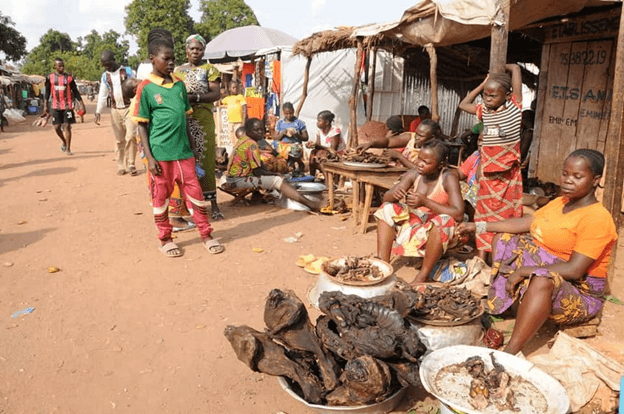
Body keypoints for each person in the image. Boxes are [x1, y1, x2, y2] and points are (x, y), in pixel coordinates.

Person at [458, 149, 617, 355]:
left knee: (542, 279)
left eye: (578, 177)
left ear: (595, 180)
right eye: (565, 174)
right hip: (550, 268)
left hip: (580, 291)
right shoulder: (560, 203)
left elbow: (575, 270)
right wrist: (478, 227)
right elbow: (529, 221)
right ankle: (510, 304)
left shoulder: (597, 218)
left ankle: (511, 350)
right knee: (504, 239)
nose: (568, 181)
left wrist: (524, 271)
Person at [132, 32, 224, 257]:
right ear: (153, 59)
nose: (172, 62)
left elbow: (184, 120)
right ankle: (165, 239)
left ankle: (206, 234)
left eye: (173, 58)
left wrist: (192, 148)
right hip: (161, 155)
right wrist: (149, 157)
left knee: (195, 195)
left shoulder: (179, 86)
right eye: (167, 58)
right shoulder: (146, 88)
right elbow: (142, 126)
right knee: (160, 198)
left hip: (184, 153)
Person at [374, 139, 464, 284]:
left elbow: (458, 213)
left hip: (441, 231)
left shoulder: (449, 177)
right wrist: (394, 194)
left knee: (445, 221)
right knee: (387, 208)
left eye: (426, 162)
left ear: (440, 165)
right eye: (419, 159)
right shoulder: (415, 173)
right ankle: (383, 264)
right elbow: (386, 198)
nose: (419, 164)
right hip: (418, 225)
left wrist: (425, 202)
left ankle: (424, 274)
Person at [458, 64, 524, 260]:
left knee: (506, 219)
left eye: (492, 95)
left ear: (507, 96)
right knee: (482, 217)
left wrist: (513, 68)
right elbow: (463, 104)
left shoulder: (514, 108)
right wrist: (483, 83)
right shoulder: (484, 111)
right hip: (487, 176)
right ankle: (480, 260)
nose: (487, 99)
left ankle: (500, 261)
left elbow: (517, 80)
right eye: (485, 95)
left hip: (507, 178)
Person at [174, 34, 224, 220]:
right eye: (192, 49)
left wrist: (194, 98)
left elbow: (216, 94)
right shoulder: (178, 72)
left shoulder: (210, 69)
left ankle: (213, 204)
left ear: (203, 51)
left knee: (206, 159)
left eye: (199, 49)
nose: (196, 52)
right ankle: (186, 206)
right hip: (183, 120)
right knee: (185, 161)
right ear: (186, 51)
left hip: (203, 119)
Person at [226, 118, 320, 211]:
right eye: (256, 130)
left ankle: (259, 196)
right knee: (277, 181)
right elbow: (257, 171)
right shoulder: (252, 144)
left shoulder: (244, 140)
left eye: (261, 129)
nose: (260, 132)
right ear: (248, 131)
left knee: (268, 170)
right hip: (238, 181)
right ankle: (310, 204)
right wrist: (275, 175)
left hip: (231, 179)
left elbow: (257, 166)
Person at [95, 50, 138, 176]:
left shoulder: (129, 72)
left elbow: (137, 87)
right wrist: (98, 111)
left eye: (108, 64)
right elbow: (103, 94)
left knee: (131, 136)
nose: (106, 67)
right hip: (115, 110)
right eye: (104, 65)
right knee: (119, 140)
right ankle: (120, 165)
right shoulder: (105, 77)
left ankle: (131, 163)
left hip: (129, 108)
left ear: (114, 60)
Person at [357, 116, 443, 169]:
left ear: (432, 137)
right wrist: (370, 144)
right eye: (416, 133)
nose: (416, 137)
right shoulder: (410, 137)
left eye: (421, 136)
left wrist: (399, 156)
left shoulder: (433, 151)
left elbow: (419, 170)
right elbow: (388, 142)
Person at [44, 57, 84, 155]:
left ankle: (68, 149)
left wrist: (82, 104)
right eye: (60, 66)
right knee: (57, 127)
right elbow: (47, 92)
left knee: (67, 126)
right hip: (55, 106)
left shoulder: (69, 78)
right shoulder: (50, 78)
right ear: (55, 66)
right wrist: (45, 106)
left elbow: (76, 92)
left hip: (67, 106)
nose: (62, 68)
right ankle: (64, 142)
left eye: (63, 65)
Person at [306, 110, 343, 178]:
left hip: (336, 154)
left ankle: (328, 181)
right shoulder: (319, 131)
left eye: (319, 121)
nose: (317, 123)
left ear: (326, 122)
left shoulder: (335, 130)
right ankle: (311, 177)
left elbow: (333, 149)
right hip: (325, 151)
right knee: (313, 153)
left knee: (323, 157)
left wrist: (317, 146)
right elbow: (318, 146)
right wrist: (310, 145)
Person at [273, 102, 308, 173]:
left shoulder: (299, 123)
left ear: (293, 111)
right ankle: (288, 165)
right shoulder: (280, 123)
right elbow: (275, 137)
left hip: (295, 144)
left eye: (291, 113)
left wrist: (296, 134)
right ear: (283, 113)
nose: (289, 115)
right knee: (274, 145)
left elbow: (306, 138)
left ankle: (299, 163)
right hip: (283, 144)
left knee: (294, 149)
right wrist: (283, 133)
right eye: (286, 114)